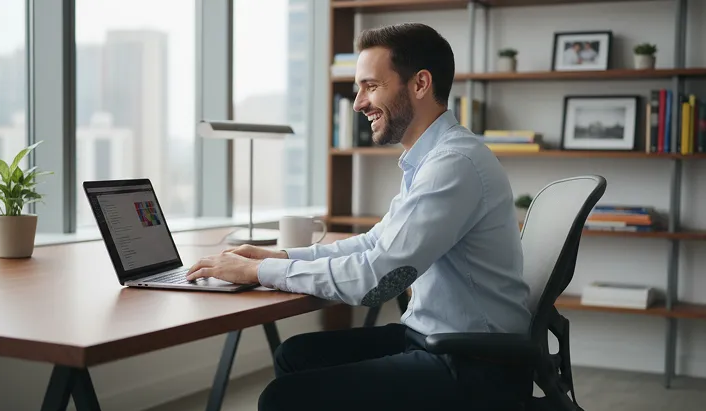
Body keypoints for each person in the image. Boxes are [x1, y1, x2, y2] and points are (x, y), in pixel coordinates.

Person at [186, 22, 533, 410]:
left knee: (281, 399)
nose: (357, 103)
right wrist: (279, 258)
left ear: (419, 84)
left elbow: (378, 280)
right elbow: (374, 243)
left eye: (371, 86)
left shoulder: (454, 164)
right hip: (440, 340)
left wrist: (257, 273)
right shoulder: (433, 158)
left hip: (476, 365)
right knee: (294, 355)